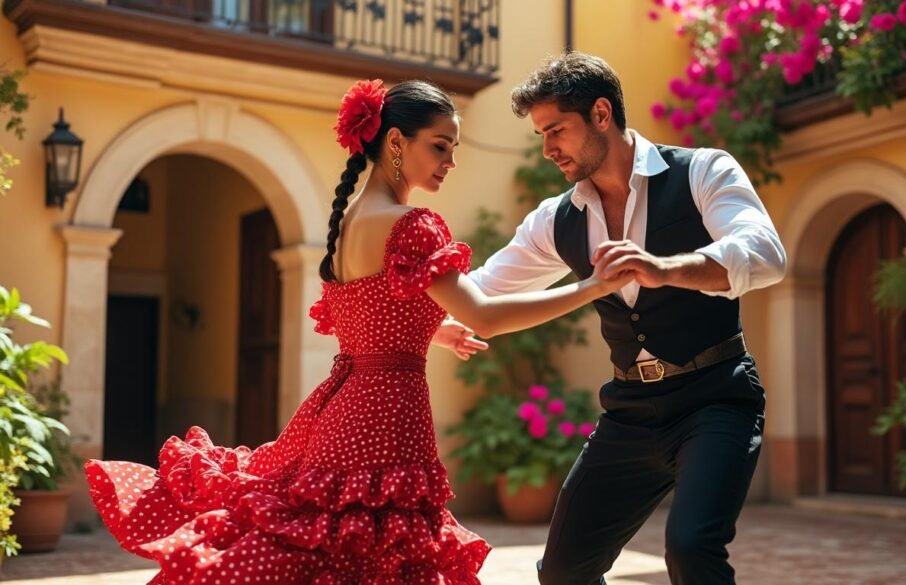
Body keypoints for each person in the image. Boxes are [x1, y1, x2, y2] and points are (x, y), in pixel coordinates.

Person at [85, 78, 631, 585]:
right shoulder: (409, 224)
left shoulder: (348, 223)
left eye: (454, 148)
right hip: (384, 419)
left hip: (343, 410)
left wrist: (432, 332)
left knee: (336, 553)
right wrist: (592, 287)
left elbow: (369, 314)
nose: (451, 161)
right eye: (440, 146)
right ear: (396, 141)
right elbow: (484, 313)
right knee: (372, 557)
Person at [460, 51, 787, 584]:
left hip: (716, 399)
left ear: (602, 114)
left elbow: (765, 252)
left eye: (557, 131)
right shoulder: (556, 218)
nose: (548, 150)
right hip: (630, 410)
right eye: (541, 135)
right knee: (563, 571)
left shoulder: (704, 170)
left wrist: (666, 269)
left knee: (690, 550)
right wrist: (443, 316)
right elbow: (484, 286)